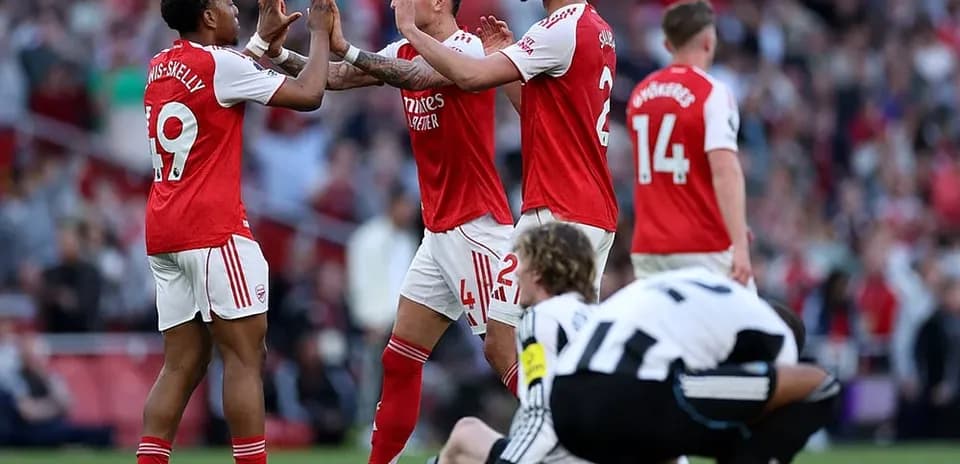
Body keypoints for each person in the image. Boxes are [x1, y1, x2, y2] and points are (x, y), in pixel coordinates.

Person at [264, 2, 517, 462]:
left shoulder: (468, 48)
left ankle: (573, 441)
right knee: (398, 360)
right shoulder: (403, 48)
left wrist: (350, 46)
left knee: (506, 358)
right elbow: (339, 77)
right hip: (439, 234)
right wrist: (279, 53)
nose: (397, 3)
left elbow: (417, 77)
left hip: (476, 229)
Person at [138, 0, 337, 463]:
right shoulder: (220, 64)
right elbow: (309, 95)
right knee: (246, 360)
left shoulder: (158, 65)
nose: (235, 9)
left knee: (180, 365)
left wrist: (261, 43)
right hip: (214, 229)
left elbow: (221, 77)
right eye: (227, 3)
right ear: (208, 16)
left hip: (164, 230)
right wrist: (322, 32)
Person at [388, 0, 620, 399]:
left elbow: (471, 76)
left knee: (502, 340)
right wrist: (505, 60)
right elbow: (537, 111)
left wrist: (411, 31)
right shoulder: (597, 27)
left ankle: (553, 430)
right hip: (593, 212)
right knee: (575, 349)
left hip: (556, 212)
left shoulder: (559, 27)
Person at [551, 268, 840, 463]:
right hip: (630, 390)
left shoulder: (710, 295)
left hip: (564, 399)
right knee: (821, 384)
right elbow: (805, 382)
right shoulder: (776, 335)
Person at [435, 223, 595, 464]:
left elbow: (541, 416)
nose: (516, 272)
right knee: (466, 432)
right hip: (598, 451)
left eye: (523, 261)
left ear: (539, 271)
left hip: (561, 456)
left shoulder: (542, 319)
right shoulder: (595, 317)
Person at [626, 0, 753, 287]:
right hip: (702, 246)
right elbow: (725, 172)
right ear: (709, 41)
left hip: (649, 246)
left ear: (667, 45)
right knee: (744, 329)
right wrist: (740, 244)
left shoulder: (640, 95)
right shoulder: (713, 92)